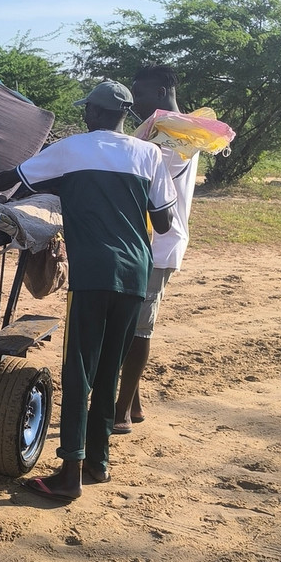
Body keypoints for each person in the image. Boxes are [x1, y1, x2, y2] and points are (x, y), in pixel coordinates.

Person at [0, 80, 176, 503]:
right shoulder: (150, 154)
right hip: (134, 273)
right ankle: (98, 462)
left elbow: (18, 181)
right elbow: (164, 222)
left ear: (97, 114)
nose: (86, 115)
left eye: (89, 110)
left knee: (78, 369)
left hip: (92, 274)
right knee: (108, 369)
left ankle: (69, 474)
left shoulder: (72, 148)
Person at [113, 65, 199, 434]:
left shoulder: (178, 135)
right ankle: (133, 405)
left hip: (159, 243)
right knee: (126, 324)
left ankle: (118, 414)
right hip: (144, 241)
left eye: (142, 93)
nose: (135, 102)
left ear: (163, 91)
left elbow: (142, 175)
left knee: (137, 330)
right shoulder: (162, 128)